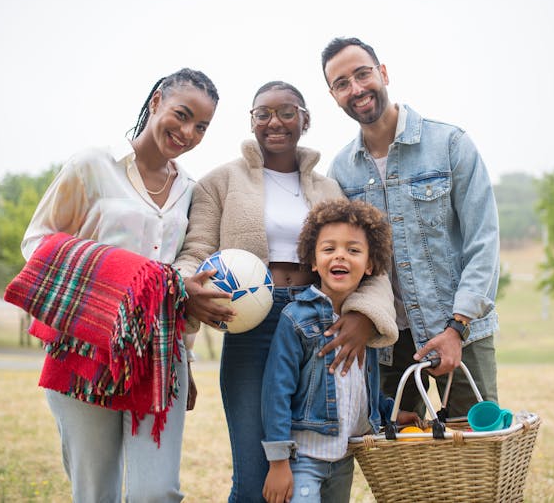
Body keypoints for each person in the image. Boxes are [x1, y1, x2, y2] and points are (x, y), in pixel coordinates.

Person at [174, 81, 398, 502]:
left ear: (305, 119)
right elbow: (197, 250)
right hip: (251, 324)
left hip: (316, 323)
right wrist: (185, 287)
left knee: (311, 464)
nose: (274, 122)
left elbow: (368, 259)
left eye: (287, 112)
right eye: (263, 113)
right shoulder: (218, 182)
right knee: (256, 473)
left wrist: (364, 316)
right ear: (252, 121)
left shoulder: (328, 188)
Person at [20, 69, 219, 502]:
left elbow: (177, 279)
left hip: (161, 354)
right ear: (156, 102)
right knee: (96, 491)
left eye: (201, 126)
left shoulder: (189, 189)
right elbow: (36, 243)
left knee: (157, 492)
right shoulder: (93, 165)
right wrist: (123, 277)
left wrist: (186, 360)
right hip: (87, 346)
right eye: (181, 115)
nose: (187, 132)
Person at [321, 37, 501, 419]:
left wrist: (457, 328)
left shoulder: (450, 145)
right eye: (341, 83)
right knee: (399, 460)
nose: (356, 88)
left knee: (475, 448)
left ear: (382, 73)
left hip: (461, 331)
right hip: (388, 342)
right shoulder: (340, 171)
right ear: (334, 95)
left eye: (362, 74)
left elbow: (483, 243)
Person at [261, 199, 419, 503]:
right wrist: (279, 462)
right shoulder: (296, 319)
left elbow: (359, 390)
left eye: (354, 250)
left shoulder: (367, 325)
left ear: (370, 265)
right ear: (313, 261)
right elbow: (276, 392)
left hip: (345, 456)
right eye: (329, 249)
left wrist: (390, 413)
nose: (340, 256)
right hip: (304, 458)